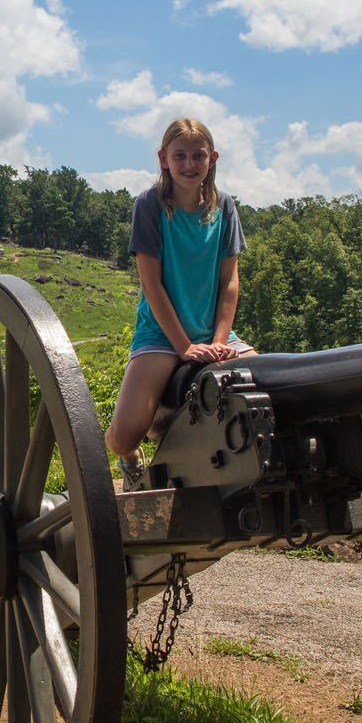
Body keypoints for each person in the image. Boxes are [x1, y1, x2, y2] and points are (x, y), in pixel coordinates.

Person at [104, 117, 254, 482]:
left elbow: (229, 281)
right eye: (180, 156)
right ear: (163, 158)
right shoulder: (150, 205)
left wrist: (219, 343)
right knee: (125, 435)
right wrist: (184, 347)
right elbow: (151, 284)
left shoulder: (225, 208)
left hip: (213, 333)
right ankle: (132, 461)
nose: (189, 165)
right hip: (161, 335)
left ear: (212, 159)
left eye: (198, 156)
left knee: (270, 389)